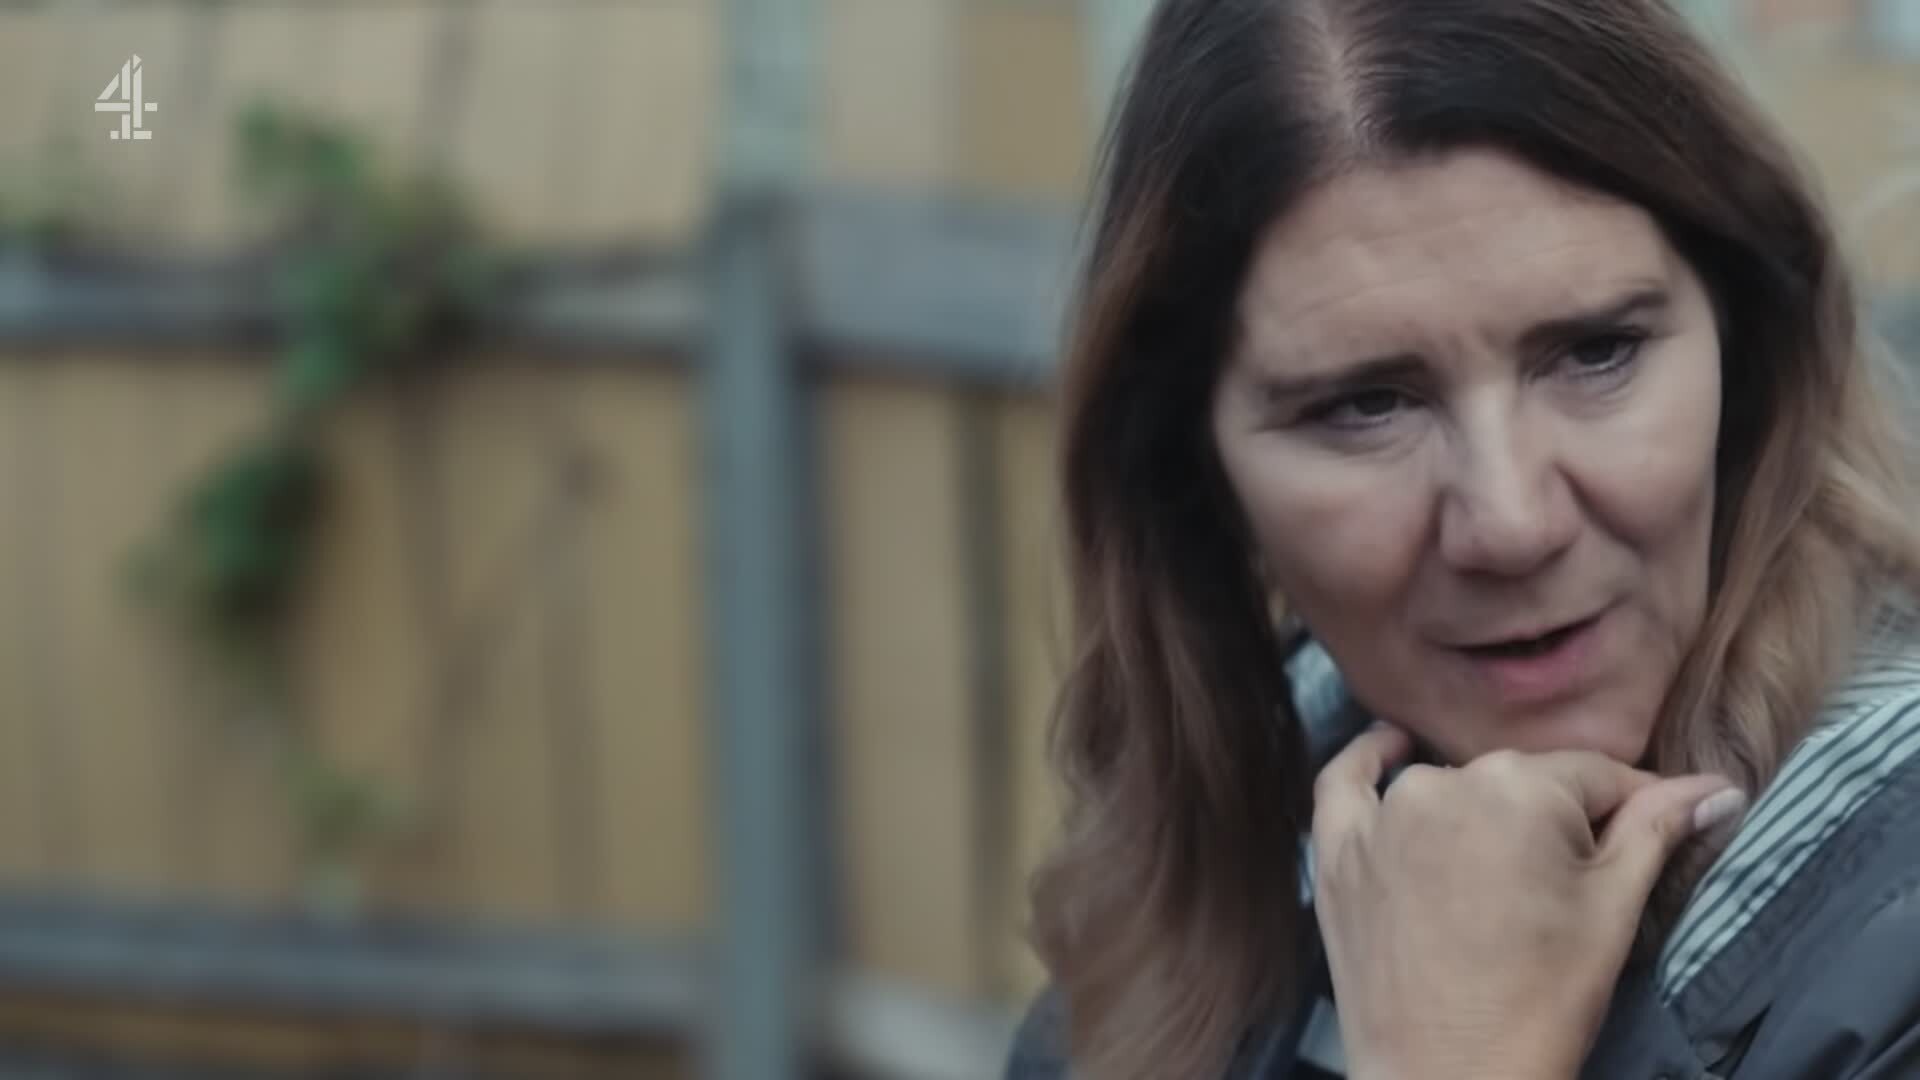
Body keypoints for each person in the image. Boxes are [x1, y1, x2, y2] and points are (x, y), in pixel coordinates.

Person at [1005, 1, 1920, 1078]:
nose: (1512, 522)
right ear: (1190, 468)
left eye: (1597, 352)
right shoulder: (1217, 856)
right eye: (1366, 405)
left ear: (1746, 344)